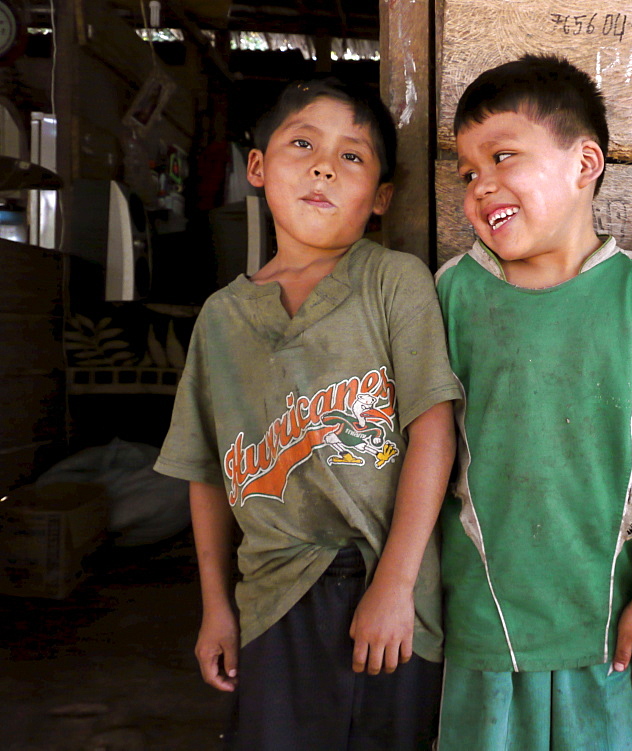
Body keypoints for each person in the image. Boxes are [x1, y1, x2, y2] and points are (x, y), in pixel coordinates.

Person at [153, 78, 461, 751]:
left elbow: (433, 429)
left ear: (380, 197)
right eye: (302, 144)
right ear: (256, 167)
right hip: (272, 593)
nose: (325, 165)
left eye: (353, 156)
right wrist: (216, 607)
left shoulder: (392, 281)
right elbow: (205, 471)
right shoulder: (221, 319)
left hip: (386, 580)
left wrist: (397, 583)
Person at [434, 55, 632, 751]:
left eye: (501, 157)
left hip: (604, 618)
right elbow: (432, 453)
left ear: (585, 163)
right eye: (467, 172)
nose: (480, 186)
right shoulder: (453, 293)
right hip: (483, 612)